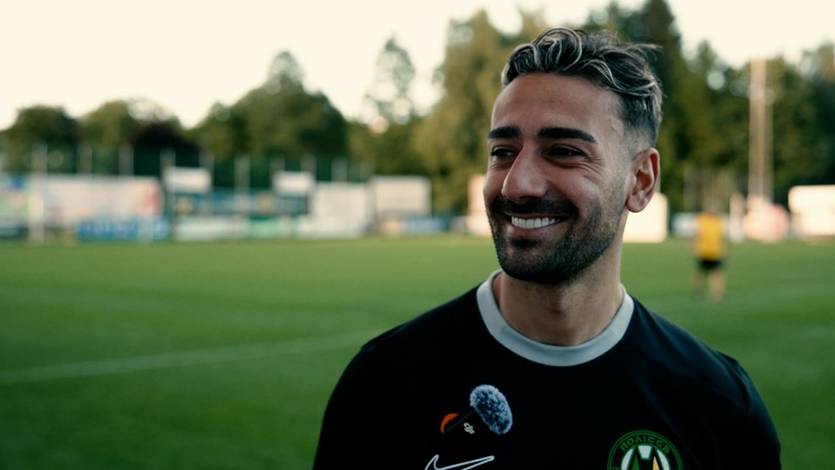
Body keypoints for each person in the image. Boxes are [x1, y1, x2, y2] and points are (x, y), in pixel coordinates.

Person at [314, 27, 780, 469]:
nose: (518, 184)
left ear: (640, 181)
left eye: (564, 151)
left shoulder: (718, 405)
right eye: (503, 152)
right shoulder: (384, 384)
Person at [693, 206, 727, 302]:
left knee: (716, 274)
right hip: (704, 251)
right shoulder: (702, 221)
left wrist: (724, 251)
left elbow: (722, 238)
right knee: (700, 273)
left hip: (715, 252)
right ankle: (698, 292)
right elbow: (697, 235)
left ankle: (717, 294)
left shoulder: (718, 222)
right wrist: (695, 247)